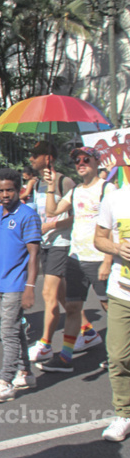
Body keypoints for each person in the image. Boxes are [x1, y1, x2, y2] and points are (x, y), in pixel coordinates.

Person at [38, 146, 115, 372]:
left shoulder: (107, 189)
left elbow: (115, 227)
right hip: (76, 257)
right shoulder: (76, 191)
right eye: (76, 161)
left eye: (85, 159)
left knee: (111, 308)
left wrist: (108, 260)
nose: (80, 163)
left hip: (98, 258)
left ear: (96, 162)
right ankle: (65, 358)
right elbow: (52, 212)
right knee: (72, 307)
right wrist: (51, 187)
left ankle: (117, 354)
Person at [0, 169, 41, 403]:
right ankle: (25, 372)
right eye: (1, 191)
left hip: (17, 283)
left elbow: (34, 254)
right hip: (0, 282)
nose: (5, 194)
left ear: (19, 190)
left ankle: (6, 381)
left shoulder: (27, 215)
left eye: (10, 190)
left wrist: (30, 287)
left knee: (8, 331)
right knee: (15, 329)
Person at [27, 141, 77, 363]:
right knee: (60, 294)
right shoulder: (37, 183)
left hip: (60, 244)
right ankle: (86, 329)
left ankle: (46, 344)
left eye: (35, 155)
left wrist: (52, 226)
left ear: (48, 158)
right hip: (44, 244)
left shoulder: (65, 182)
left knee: (47, 294)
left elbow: (76, 217)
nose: (31, 159)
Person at [95, 181, 130, 441]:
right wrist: (117, 248)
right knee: (117, 356)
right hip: (121, 292)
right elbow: (99, 238)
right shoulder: (115, 198)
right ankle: (124, 413)